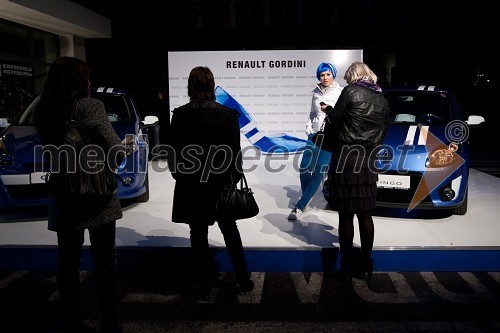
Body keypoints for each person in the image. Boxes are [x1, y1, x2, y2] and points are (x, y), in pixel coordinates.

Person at [34, 57, 125, 333]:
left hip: (64, 193)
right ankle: (110, 321)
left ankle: (72, 319)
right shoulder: (90, 106)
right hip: (97, 196)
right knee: (105, 261)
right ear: (80, 80)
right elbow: (116, 149)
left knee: (68, 260)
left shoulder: (45, 108)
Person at [167, 66, 254, 299]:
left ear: (190, 86)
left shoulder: (181, 115)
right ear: (211, 85)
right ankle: (244, 280)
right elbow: (235, 154)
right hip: (220, 183)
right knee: (230, 231)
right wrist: (232, 180)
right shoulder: (227, 115)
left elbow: (173, 153)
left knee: (198, 233)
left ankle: (203, 284)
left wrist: (180, 176)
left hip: (191, 183)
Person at [322, 61, 389, 282]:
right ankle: (365, 263)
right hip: (368, 160)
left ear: (354, 76)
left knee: (345, 215)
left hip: (346, 159)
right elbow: (382, 133)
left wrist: (329, 110)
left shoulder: (350, 91)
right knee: (365, 215)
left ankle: (346, 267)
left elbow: (333, 123)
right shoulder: (382, 99)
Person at [288, 62, 343, 220]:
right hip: (314, 134)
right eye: (322, 75)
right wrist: (308, 126)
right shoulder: (316, 92)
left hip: (330, 137)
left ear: (333, 75)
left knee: (319, 172)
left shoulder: (340, 93)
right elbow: (313, 112)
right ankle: (307, 198)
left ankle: (300, 205)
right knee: (304, 168)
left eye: (328, 74)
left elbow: (339, 117)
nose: (325, 78)